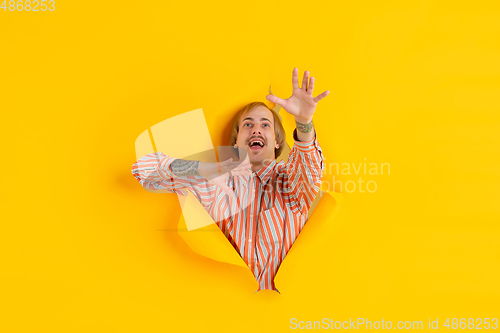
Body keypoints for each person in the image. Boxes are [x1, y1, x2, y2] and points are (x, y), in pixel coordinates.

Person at [131, 68, 329, 292]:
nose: (256, 129)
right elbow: (143, 170)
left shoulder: (291, 183)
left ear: (276, 141)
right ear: (236, 142)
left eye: (265, 125)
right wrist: (199, 167)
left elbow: (310, 170)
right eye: (248, 124)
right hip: (228, 312)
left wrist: (304, 124)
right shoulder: (217, 182)